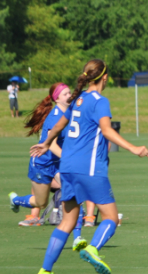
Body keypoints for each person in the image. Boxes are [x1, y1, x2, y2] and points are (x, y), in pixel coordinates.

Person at [29, 59, 148, 274]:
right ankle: (93, 248)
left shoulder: (78, 99)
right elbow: (106, 131)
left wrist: (46, 143)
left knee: (67, 221)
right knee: (111, 217)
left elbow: (59, 125)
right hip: (90, 168)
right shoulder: (100, 101)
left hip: (67, 168)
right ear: (104, 77)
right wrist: (134, 148)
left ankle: (44, 272)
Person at [9, 82, 89, 249]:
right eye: (66, 94)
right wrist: (68, 158)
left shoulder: (70, 113)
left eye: (70, 93)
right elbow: (50, 145)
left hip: (58, 164)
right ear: (57, 98)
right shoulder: (54, 117)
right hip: (42, 163)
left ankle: (78, 237)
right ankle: (16, 200)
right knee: (40, 203)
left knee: (75, 191)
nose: (69, 95)